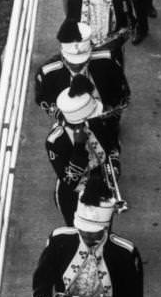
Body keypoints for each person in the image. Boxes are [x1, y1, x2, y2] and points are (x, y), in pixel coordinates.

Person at [46, 78, 121, 226]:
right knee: (77, 231)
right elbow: (69, 179)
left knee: (104, 229)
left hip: (100, 186)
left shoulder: (98, 123)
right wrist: (79, 146)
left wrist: (116, 166)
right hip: (73, 195)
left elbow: (112, 147)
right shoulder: (56, 140)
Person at [34, 21, 129, 123]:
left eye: (82, 61)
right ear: (62, 54)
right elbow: (43, 98)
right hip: (70, 121)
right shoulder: (47, 73)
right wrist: (61, 115)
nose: (77, 66)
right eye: (72, 62)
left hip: (105, 115)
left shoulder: (107, 61)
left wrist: (113, 109)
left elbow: (120, 88)